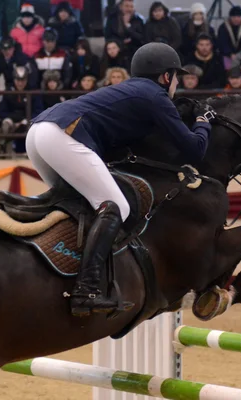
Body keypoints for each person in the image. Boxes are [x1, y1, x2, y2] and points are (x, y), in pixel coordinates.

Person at [26, 42, 215, 316]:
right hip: (60, 135)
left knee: (78, 203)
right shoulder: (156, 96)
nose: (177, 83)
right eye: (176, 76)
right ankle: (86, 290)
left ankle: (59, 267)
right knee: (117, 207)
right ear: (165, 76)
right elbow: (195, 149)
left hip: (38, 132)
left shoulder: (131, 91)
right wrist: (203, 121)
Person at [0, 65, 43, 153]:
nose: (20, 83)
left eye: (23, 80)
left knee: (28, 126)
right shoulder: (8, 92)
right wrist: (13, 120)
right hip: (12, 120)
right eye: (18, 80)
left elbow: (38, 111)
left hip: (28, 120)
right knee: (5, 126)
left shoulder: (33, 92)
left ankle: (28, 152)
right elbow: (1, 111)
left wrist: (26, 120)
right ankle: (3, 150)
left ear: (27, 80)